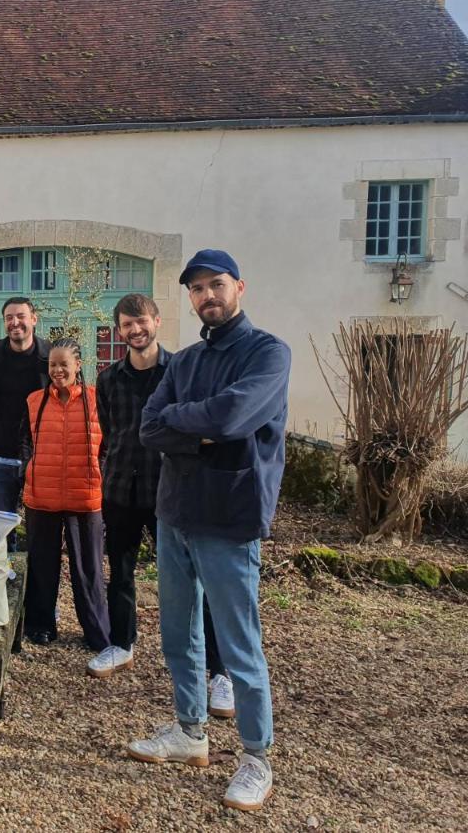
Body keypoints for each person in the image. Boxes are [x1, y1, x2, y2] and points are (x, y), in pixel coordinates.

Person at [127, 249, 290, 813]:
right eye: (196, 289)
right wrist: (199, 428)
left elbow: (233, 417)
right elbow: (149, 426)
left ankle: (255, 757)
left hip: (229, 514)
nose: (206, 296)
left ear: (239, 287)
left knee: (239, 645)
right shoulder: (186, 361)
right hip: (175, 513)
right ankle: (190, 731)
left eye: (215, 284)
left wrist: (191, 423)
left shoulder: (268, 353)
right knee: (179, 633)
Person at [90, 294, 235, 720]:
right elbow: (112, 430)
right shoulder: (108, 379)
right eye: (126, 325)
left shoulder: (182, 372)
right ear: (119, 332)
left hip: (170, 492)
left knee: (198, 579)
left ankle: (219, 672)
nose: (135, 330)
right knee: (120, 571)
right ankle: (122, 643)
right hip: (120, 489)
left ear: (156, 321)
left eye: (141, 322)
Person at [20, 338, 110, 649]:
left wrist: (101, 473)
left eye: (64, 365)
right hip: (41, 496)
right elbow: (24, 442)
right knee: (42, 566)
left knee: (89, 569)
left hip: (84, 497)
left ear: (78, 366)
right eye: (53, 365)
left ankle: (97, 631)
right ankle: (41, 625)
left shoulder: (97, 400)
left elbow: (109, 444)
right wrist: (28, 468)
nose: (58, 370)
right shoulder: (34, 401)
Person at [0, 297, 49, 549]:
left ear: (33, 319)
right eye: (9, 318)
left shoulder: (49, 356)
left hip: (41, 455)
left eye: (21, 316)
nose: (15, 322)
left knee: (40, 522)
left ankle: (36, 576)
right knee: (0, 523)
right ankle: (6, 573)